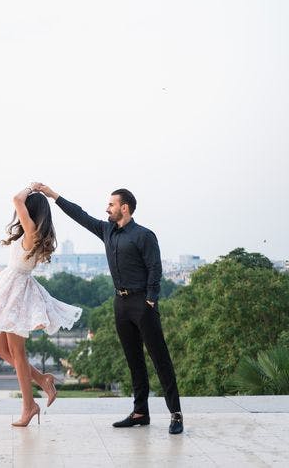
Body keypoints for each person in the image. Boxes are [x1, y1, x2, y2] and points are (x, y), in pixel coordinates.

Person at [33, 183, 183, 435]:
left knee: (160, 359)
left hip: (141, 303)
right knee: (134, 360)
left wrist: (150, 300)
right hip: (120, 303)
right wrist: (52, 194)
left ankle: (176, 414)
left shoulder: (144, 235)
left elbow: (155, 269)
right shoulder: (107, 231)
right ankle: (140, 412)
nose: (107, 209)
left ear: (124, 208)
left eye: (111, 205)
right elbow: (80, 215)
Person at [0, 186, 82, 427]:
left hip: (16, 295)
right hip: (10, 287)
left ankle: (29, 406)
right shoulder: (30, 235)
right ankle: (42, 380)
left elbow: (16, 198)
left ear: (30, 211)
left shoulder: (32, 232)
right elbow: (16, 265)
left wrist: (33, 188)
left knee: (17, 352)